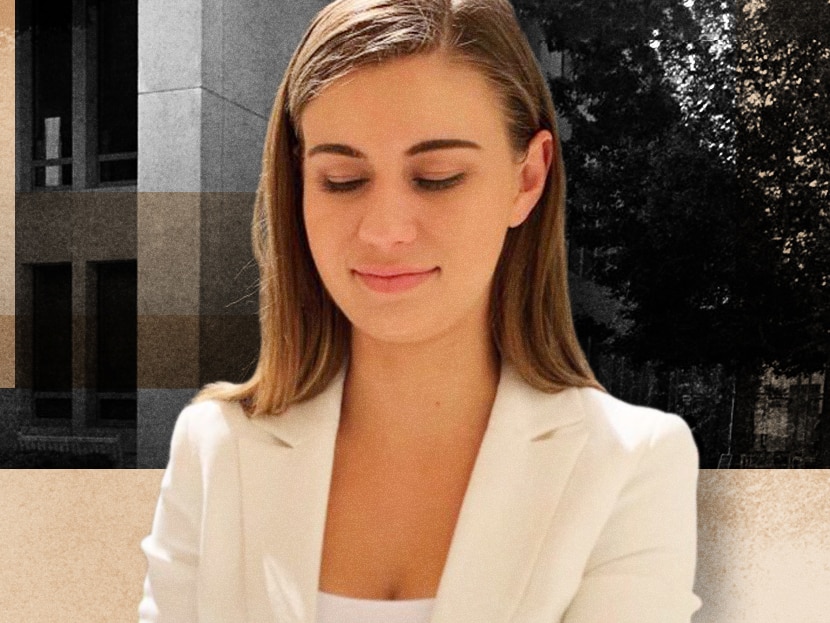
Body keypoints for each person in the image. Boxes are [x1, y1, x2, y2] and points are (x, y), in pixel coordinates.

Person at [138, 0, 702, 621]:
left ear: (528, 179)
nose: (384, 232)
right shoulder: (215, 447)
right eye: (342, 180)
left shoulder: (632, 465)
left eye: (437, 177)